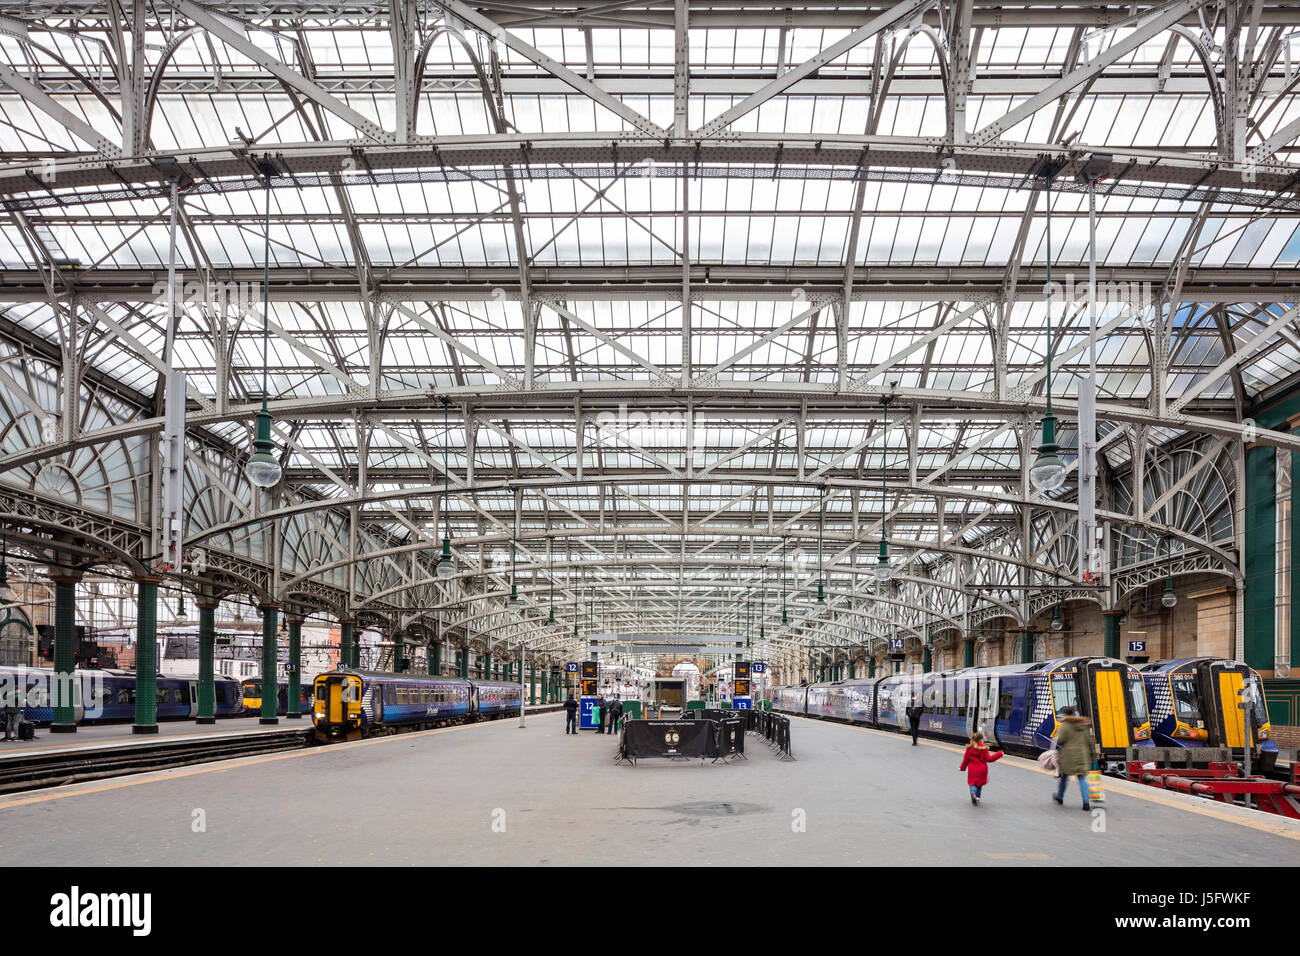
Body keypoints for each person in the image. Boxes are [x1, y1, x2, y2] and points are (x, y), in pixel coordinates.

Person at [1053, 706, 1098, 810]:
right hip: (1082, 756)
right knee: (1082, 778)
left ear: (1065, 714)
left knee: (1064, 778)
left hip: (1068, 756)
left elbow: (1059, 740)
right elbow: (1091, 741)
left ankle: (1060, 797)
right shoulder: (1084, 725)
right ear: (1074, 714)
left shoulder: (1064, 725)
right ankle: (1086, 802)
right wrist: (1094, 756)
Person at [959, 732, 1003, 805]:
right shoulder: (984, 749)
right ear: (981, 740)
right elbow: (989, 759)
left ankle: (973, 792)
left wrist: (962, 768)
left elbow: (965, 760)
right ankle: (978, 797)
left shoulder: (969, 749)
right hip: (982, 770)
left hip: (972, 771)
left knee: (973, 784)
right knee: (979, 784)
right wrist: (999, 754)